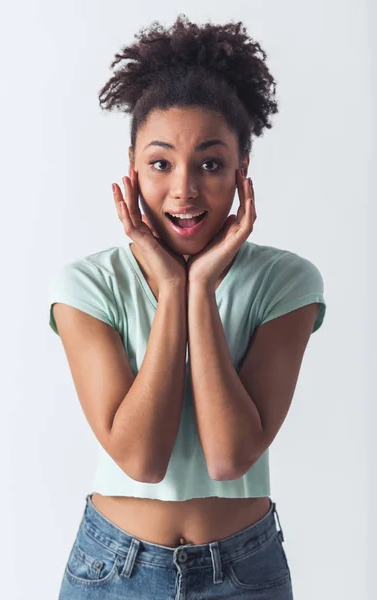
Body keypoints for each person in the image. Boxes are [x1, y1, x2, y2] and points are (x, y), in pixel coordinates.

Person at [49, 14, 326, 599]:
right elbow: (142, 460)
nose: (184, 189)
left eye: (210, 163)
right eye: (160, 163)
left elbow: (230, 457)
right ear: (132, 169)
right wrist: (171, 291)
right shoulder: (87, 285)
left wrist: (199, 289)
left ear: (241, 172)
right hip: (112, 570)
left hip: (244, 573)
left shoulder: (286, 282)